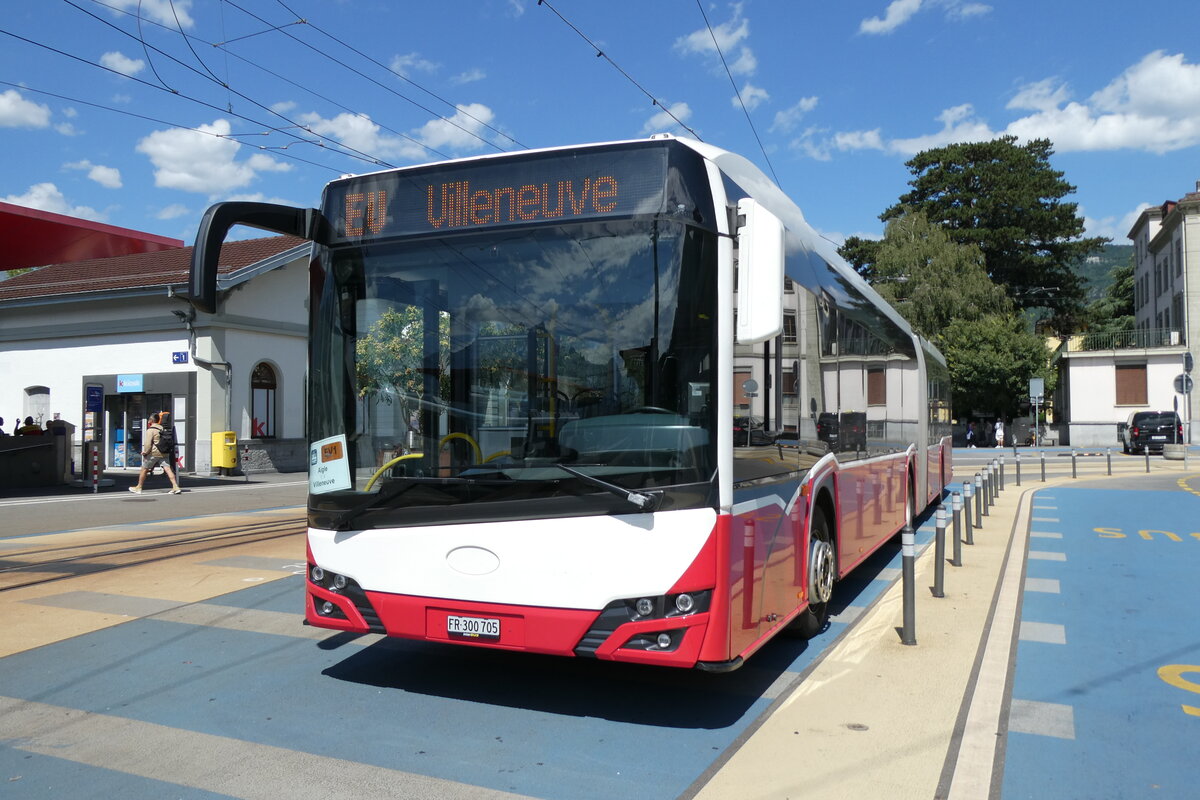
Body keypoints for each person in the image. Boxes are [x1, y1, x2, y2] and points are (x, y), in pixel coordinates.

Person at [129, 411, 182, 494]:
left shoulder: (151, 430)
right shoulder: (162, 428)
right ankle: (175, 486)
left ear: (151, 420)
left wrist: (145, 452)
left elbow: (148, 443)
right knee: (168, 469)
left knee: (144, 469)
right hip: (164, 452)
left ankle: (138, 487)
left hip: (154, 453)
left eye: (149, 419)